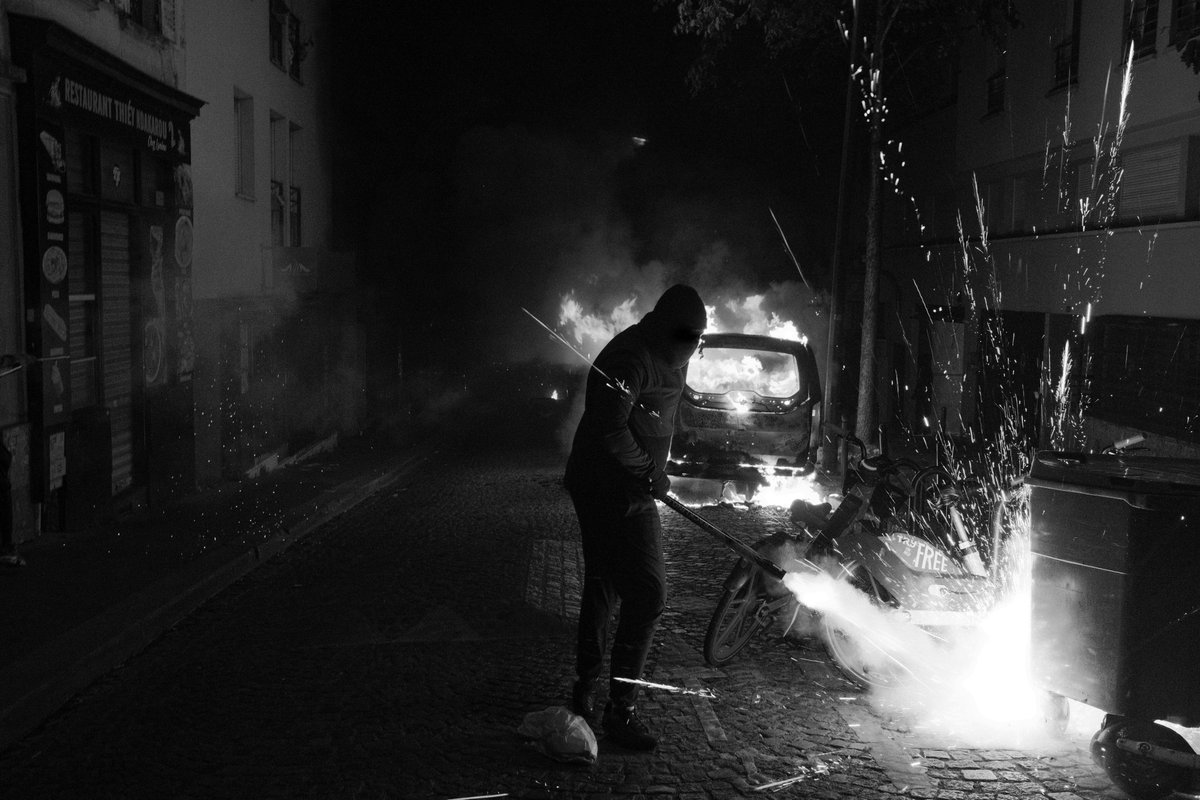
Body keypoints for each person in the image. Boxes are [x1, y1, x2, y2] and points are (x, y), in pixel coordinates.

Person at [563, 284, 706, 750]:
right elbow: (609, 428)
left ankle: (585, 691)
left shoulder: (671, 351)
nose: (691, 350)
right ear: (663, 326)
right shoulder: (630, 359)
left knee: (603, 581)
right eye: (687, 339)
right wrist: (649, 472)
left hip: (621, 482)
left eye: (697, 341)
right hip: (610, 485)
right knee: (647, 593)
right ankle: (620, 713)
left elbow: (660, 412)